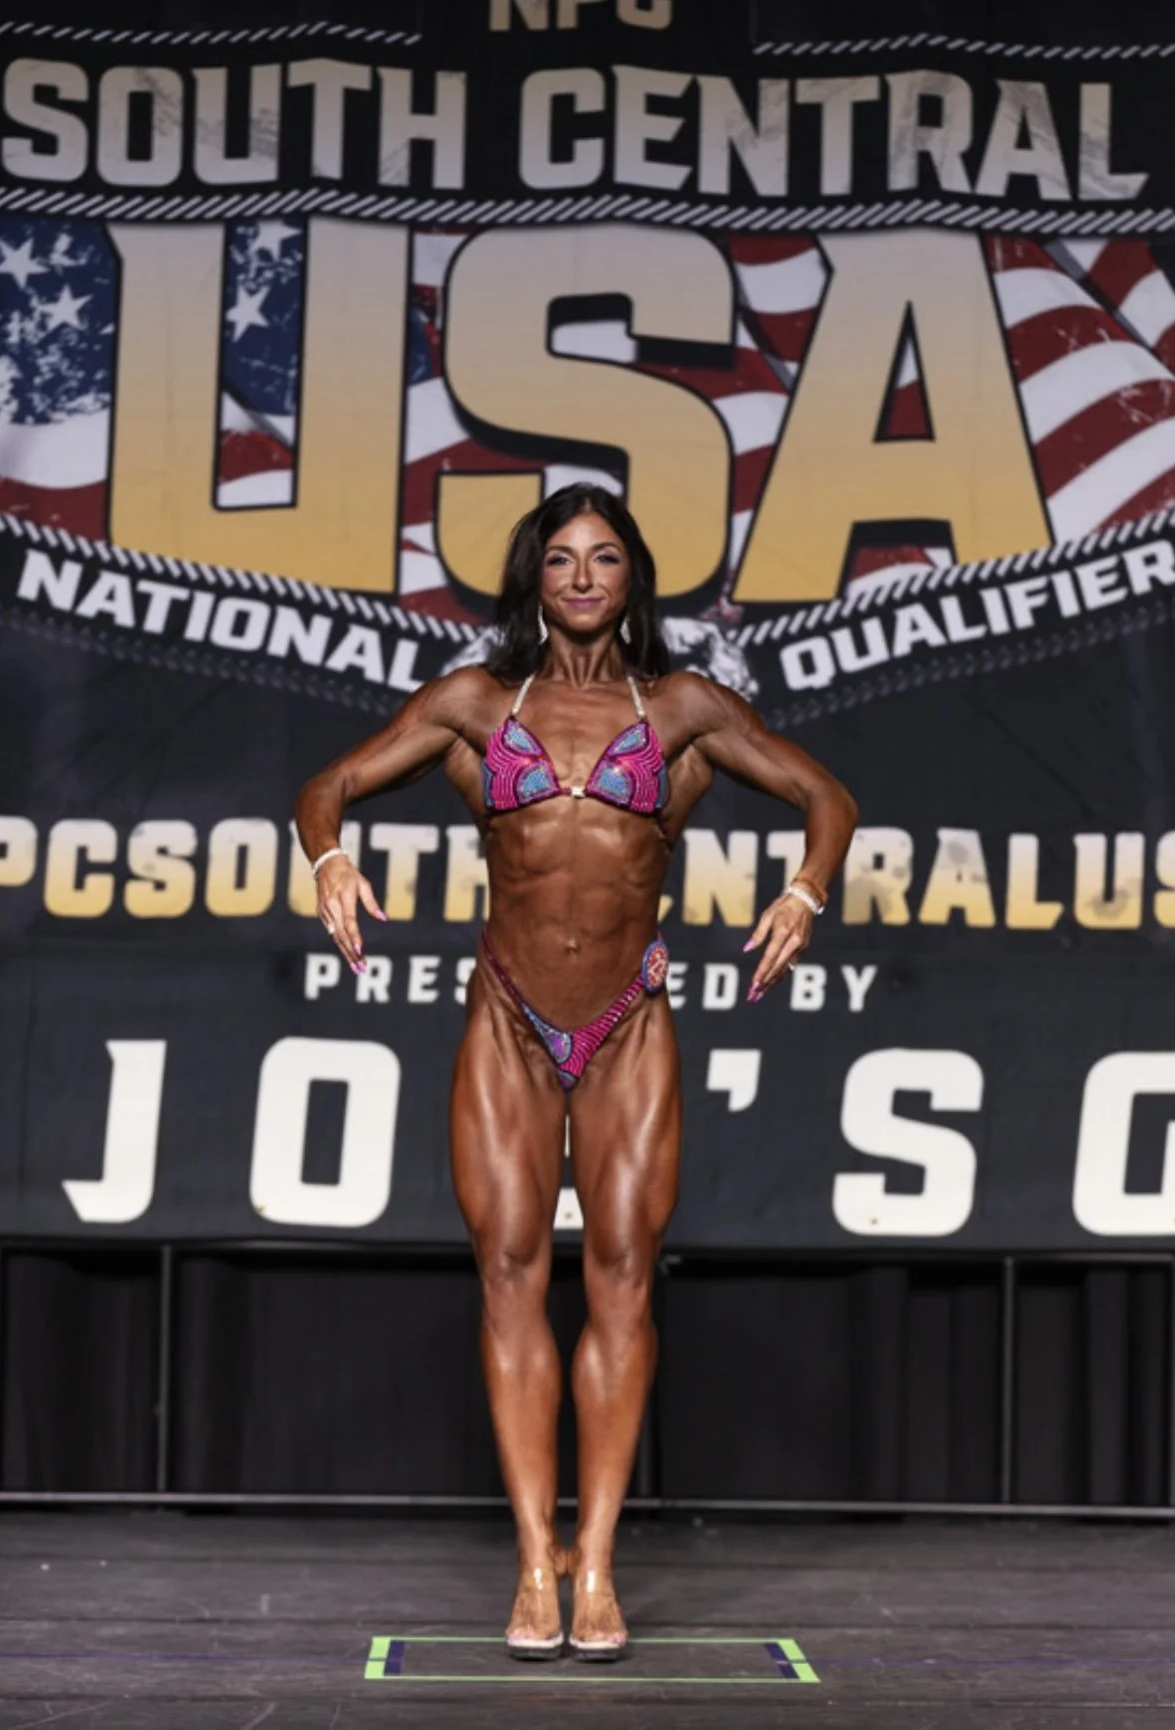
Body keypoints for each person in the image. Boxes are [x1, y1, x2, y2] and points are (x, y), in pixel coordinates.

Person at [294, 484, 857, 1661]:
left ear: (632, 574)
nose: (584, 577)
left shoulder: (682, 706)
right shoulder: (476, 703)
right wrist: (330, 856)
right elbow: (326, 786)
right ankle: (530, 1560)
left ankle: (594, 1560)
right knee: (508, 1272)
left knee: (621, 1280)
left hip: (626, 1022)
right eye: (561, 558)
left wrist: (805, 891)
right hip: (507, 1019)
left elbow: (827, 795)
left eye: (604, 557)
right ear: (534, 578)